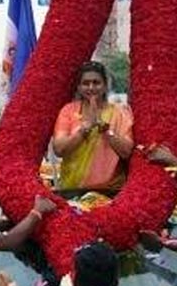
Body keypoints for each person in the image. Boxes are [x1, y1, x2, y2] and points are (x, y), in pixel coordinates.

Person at [52, 61, 134, 192]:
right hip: (73, 189)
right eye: (85, 83)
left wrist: (105, 129)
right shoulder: (68, 111)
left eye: (96, 82)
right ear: (78, 87)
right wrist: (85, 128)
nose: (91, 87)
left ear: (105, 86)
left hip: (111, 190)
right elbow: (59, 149)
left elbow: (127, 152)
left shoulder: (120, 113)